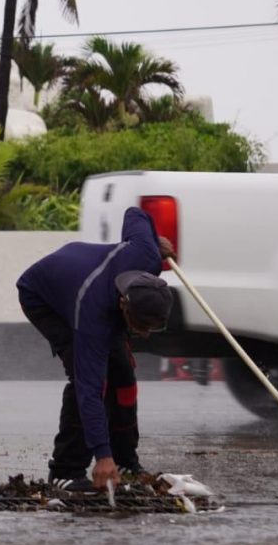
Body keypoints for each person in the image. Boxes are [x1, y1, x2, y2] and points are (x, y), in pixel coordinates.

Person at [16, 207, 175, 492]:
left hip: (86, 274)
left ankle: (126, 461)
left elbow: (135, 213)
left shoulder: (147, 256)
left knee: (123, 376)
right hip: (43, 296)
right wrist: (102, 455)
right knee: (89, 380)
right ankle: (66, 469)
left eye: (153, 328)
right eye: (142, 326)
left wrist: (154, 239)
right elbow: (89, 389)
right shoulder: (93, 319)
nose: (146, 334)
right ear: (125, 307)